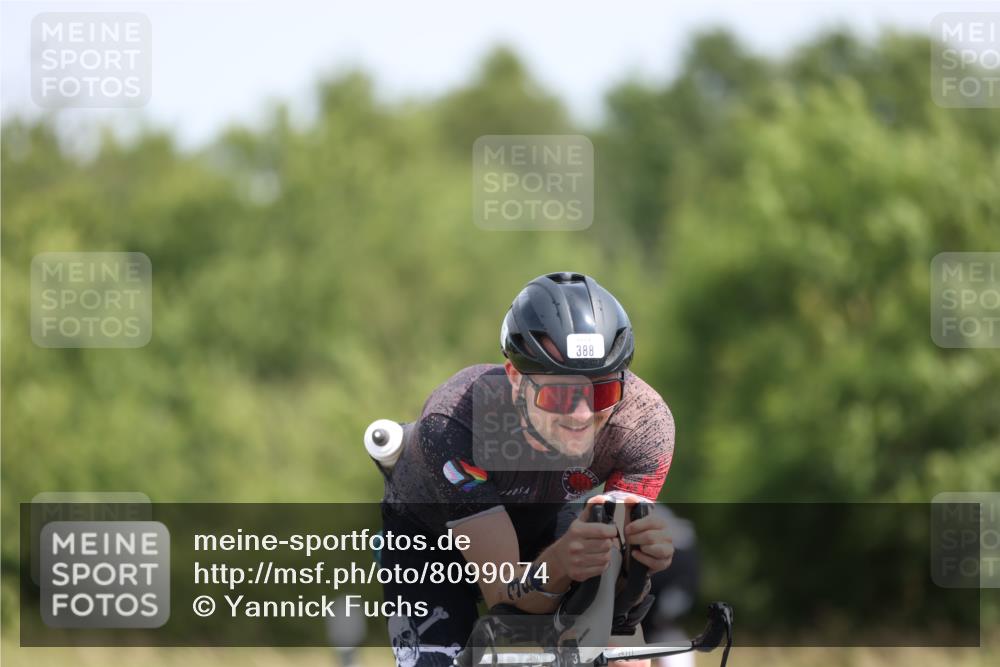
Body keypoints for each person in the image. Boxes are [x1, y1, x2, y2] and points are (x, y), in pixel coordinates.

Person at [379, 272, 677, 667]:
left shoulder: (644, 425)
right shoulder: (455, 422)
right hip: (429, 534)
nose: (582, 414)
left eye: (601, 392)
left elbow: (614, 599)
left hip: (546, 517)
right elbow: (504, 593)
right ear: (516, 379)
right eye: (560, 394)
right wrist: (558, 564)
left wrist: (636, 570)